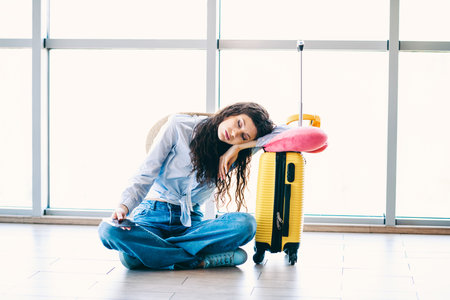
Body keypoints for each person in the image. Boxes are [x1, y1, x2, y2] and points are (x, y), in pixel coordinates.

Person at [98, 102, 286, 270]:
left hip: (190, 223)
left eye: (243, 137)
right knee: (108, 231)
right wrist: (124, 206)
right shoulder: (179, 126)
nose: (236, 134)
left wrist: (239, 147)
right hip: (152, 215)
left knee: (246, 224)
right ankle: (197, 260)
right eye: (239, 123)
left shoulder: (237, 149)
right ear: (231, 112)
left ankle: (154, 251)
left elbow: (292, 134)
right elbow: (147, 171)